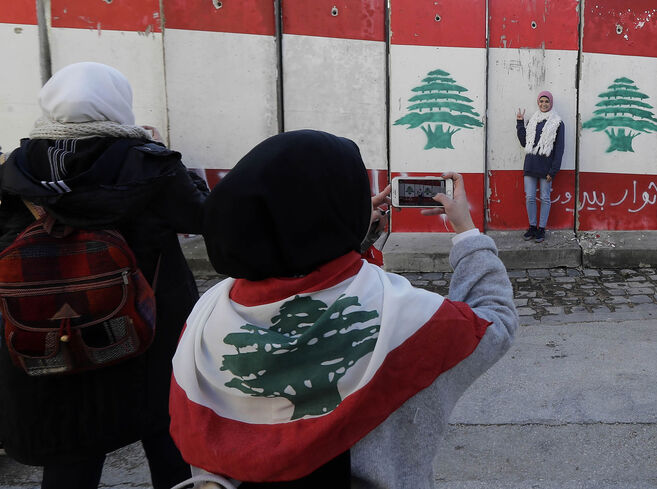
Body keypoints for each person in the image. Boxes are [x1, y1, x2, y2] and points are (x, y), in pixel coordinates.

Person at [168, 129, 518, 488]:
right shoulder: (401, 318)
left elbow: (309, 269)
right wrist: (466, 231)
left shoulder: (204, 317)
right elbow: (493, 322)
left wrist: (350, 234)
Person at [0, 62, 208, 489]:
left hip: (48, 325)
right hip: (148, 324)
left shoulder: (16, 167)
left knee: (74, 443)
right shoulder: (151, 165)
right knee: (166, 433)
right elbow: (203, 217)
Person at [516, 90, 565, 243]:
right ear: (538, 103)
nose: (544, 104)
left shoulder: (557, 122)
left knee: (545, 198)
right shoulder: (533, 120)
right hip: (530, 164)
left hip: (546, 168)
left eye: (547, 102)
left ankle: (541, 229)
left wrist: (554, 170)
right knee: (530, 197)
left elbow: (559, 149)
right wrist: (520, 123)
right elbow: (524, 142)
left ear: (551, 103)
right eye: (541, 101)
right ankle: (532, 227)